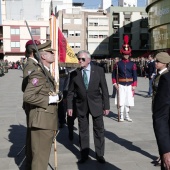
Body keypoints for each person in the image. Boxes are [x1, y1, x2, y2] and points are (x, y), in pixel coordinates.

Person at [67, 50, 110, 164]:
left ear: (89, 60)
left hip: (96, 105)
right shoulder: (74, 73)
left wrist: (106, 106)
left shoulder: (99, 71)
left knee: (99, 130)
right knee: (83, 131)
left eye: (82, 59)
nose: (80, 61)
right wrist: (69, 107)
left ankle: (100, 154)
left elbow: (104, 89)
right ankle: (84, 155)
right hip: (81, 106)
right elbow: (70, 92)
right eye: (79, 59)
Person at [23, 40, 58, 170]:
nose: (53, 54)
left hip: (45, 121)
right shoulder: (38, 73)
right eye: (50, 53)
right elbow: (28, 96)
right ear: (43, 56)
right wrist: (49, 99)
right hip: (41, 122)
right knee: (39, 162)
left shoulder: (44, 71)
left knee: (41, 159)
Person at [21, 39, 41, 170]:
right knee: (31, 135)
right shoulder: (30, 65)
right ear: (33, 51)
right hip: (31, 104)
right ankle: (29, 163)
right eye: (39, 49)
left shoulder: (34, 64)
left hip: (33, 103)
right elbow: (29, 86)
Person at [112, 35, 137, 122]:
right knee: (121, 100)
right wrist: (115, 84)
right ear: (122, 54)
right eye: (124, 54)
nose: (126, 56)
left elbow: (135, 75)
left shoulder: (132, 64)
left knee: (128, 100)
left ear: (129, 54)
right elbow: (113, 75)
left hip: (129, 85)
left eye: (127, 54)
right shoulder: (118, 64)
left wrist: (134, 85)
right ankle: (121, 115)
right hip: (121, 85)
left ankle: (127, 115)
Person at [152, 52, 170, 169]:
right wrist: (165, 149)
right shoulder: (165, 78)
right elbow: (162, 116)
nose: (156, 63)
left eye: (158, 61)